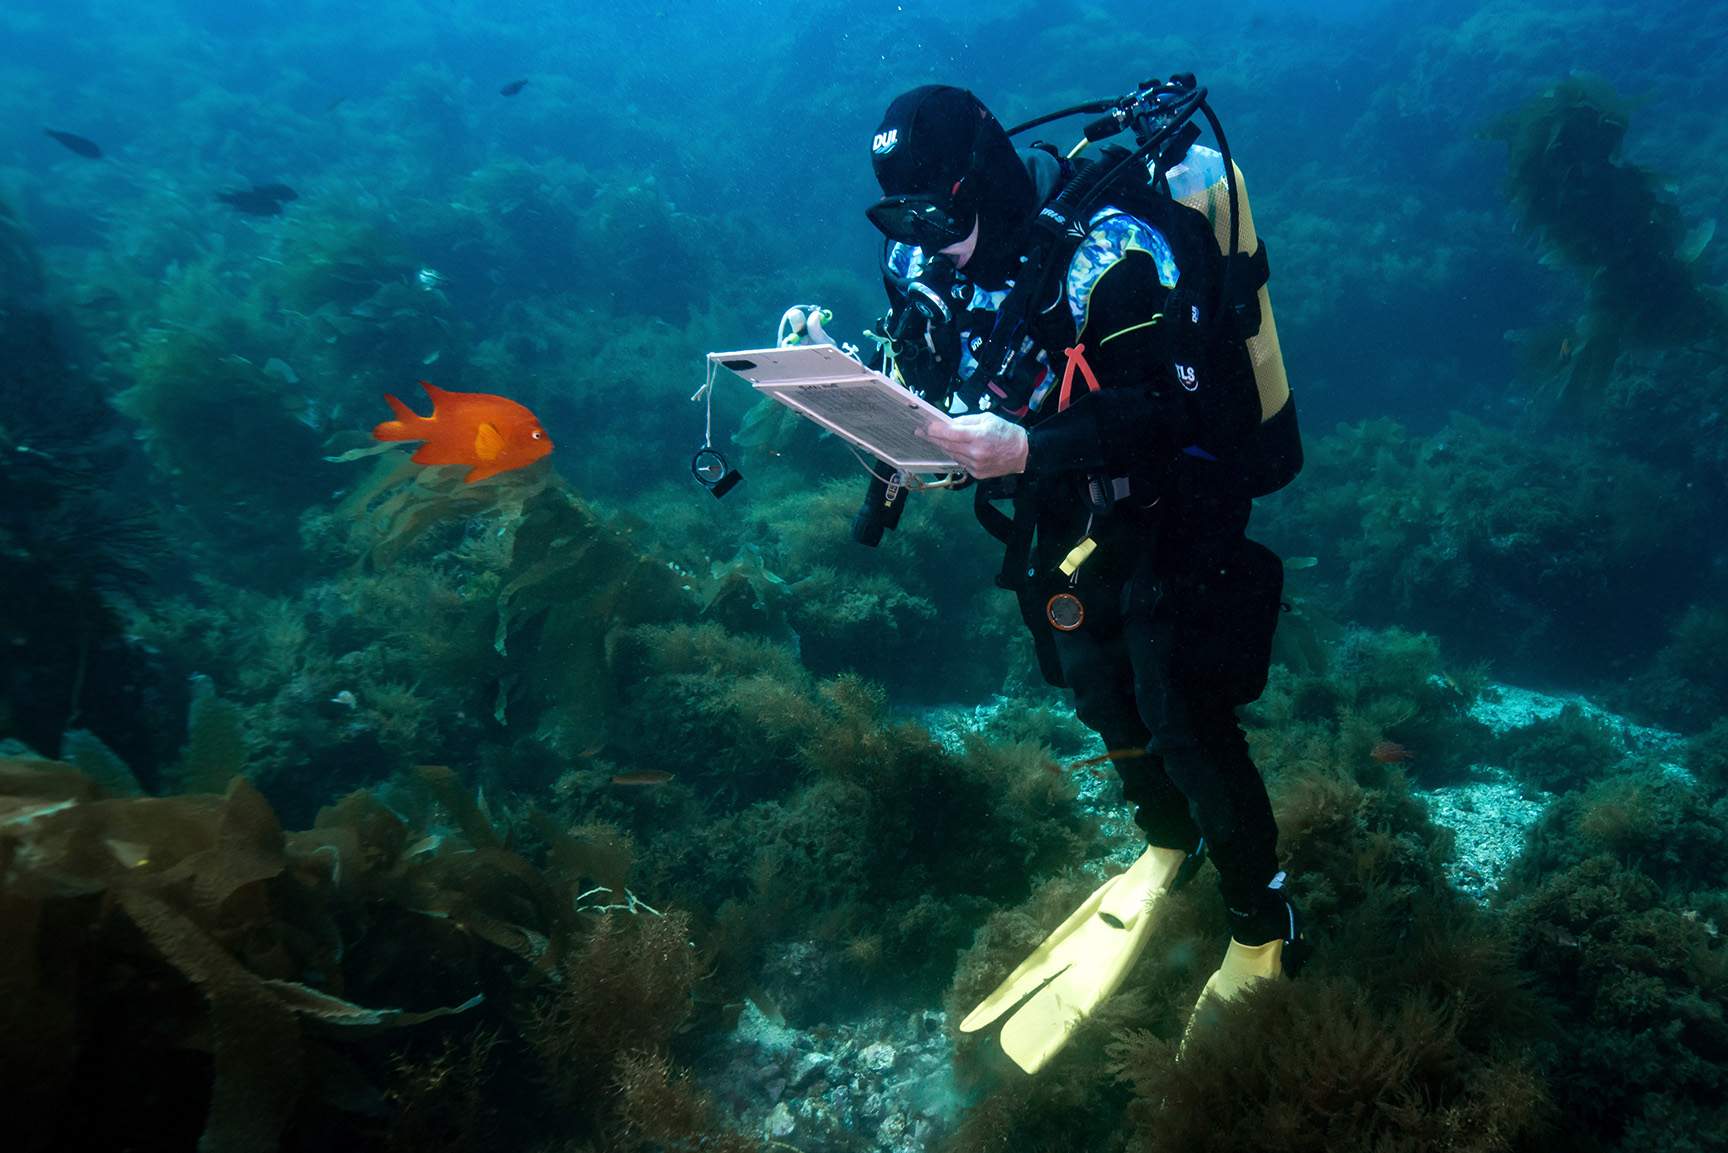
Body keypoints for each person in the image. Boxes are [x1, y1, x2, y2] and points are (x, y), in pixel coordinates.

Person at [858, 83, 1305, 1073]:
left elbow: (1169, 411)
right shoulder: (926, 260)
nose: (929, 245)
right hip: (1067, 495)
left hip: (1181, 490)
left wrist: (1023, 446)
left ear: (987, 183)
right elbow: (932, 364)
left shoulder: (1112, 252)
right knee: (1093, 676)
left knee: (1178, 702)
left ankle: (1263, 918)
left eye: (941, 219)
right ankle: (1169, 837)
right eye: (904, 221)